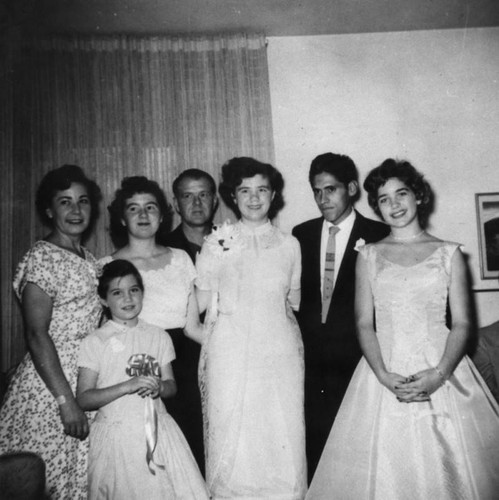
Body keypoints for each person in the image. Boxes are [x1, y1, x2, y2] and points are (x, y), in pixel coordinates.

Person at [307, 159, 499, 499]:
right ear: (376, 207)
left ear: (419, 196)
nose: (394, 204)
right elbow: (364, 323)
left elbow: (464, 324)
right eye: (384, 199)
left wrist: (439, 374)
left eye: (401, 194)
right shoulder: (369, 255)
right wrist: (381, 373)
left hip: (441, 368)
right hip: (384, 371)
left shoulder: (448, 253)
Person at [190, 157, 307, 499]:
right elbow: (195, 306)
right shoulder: (217, 242)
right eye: (245, 191)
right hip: (230, 354)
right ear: (232, 196)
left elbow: (293, 304)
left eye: (262, 190)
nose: (254, 198)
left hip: (278, 352)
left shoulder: (290, 245)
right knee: (233, 433)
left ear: (274, 195)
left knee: (279, 432)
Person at [0, 165, 103, 499]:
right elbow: (35, 334)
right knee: (43, 483)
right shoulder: (43, 257)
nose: (76, 210)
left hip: (85, 378)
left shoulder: (87, 258)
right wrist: (65, 402)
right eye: (65, 202)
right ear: (49, 209)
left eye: (83, 201)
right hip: (51, 387)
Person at [292, 152, 389, 482]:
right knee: (318, 457)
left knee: (360, 457)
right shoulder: (300, 234)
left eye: (330, 190)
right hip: (313, 369)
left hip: (359, 363)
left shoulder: (379, 234)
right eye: (316, 191)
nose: (322, 199)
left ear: (351, 188)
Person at [76, 259, 209, 499]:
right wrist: (127, 386)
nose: (127, 299)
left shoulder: (158, 336)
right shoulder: (95, 342)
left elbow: (171, 386)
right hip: (118, 439)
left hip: (158, 432)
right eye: (117, 293)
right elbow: (84, 399)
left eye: (133, 290)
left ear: (142, 293)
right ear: (104, 300)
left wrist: (160, 387)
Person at [104, 177, 203, 462]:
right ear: (123, 219)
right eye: (133, 209)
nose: (143, 214)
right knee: (148, 448)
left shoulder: (182, 257)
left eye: (150, 207)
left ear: (161, 215)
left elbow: (193, 325)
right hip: (139, 360)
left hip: (184, 361)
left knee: (189, 442)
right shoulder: (108, 265)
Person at [162, 168, 218, 473]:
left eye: (204, 194)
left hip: (227, 361)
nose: (196, 204)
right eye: (187, 196)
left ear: (215, 199)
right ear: (175, 203)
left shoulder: (231, 242)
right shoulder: (163, 250)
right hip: (181, 368)